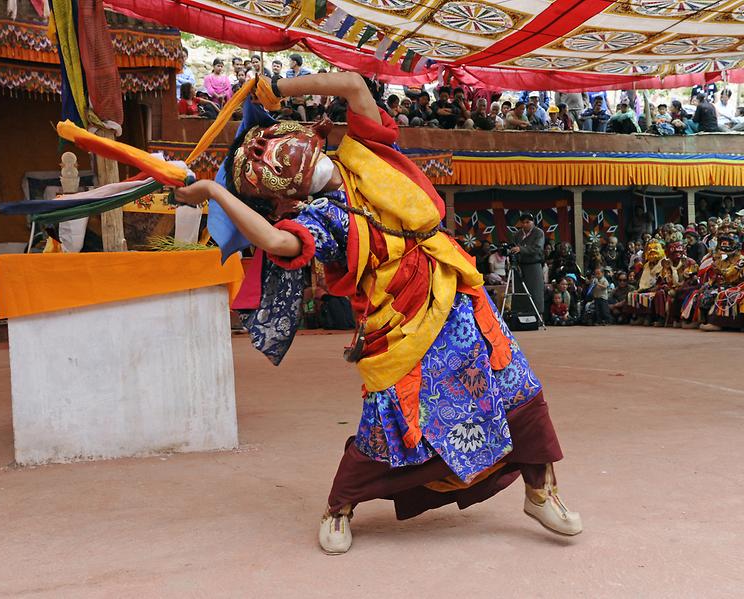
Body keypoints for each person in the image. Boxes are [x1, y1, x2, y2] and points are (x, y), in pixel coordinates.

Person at [174, 71, 582, 554]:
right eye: (258, 164)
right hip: (400, 328)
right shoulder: (319, 217)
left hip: (456, 296)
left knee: (517, 389)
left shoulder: (363, 149)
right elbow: (275, 241)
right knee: (391, 430)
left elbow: (351, 84)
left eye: (268, 142)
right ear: (279, 197)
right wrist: (214, 194)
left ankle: (541, 491)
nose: (272, 153)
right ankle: (340, 506)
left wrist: (277, 89)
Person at [511, 213, 546, 315]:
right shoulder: (517, 234)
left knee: (535, 291)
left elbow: (537, 249)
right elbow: (513, 247)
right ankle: (519, 314)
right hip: (519, 265)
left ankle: (537, 315)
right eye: (523, 222)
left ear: (533, 222)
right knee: (519, 290)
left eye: (528, 222)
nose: (525, 224)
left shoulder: (539, 233)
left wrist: (521, 249)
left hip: (533, 265)